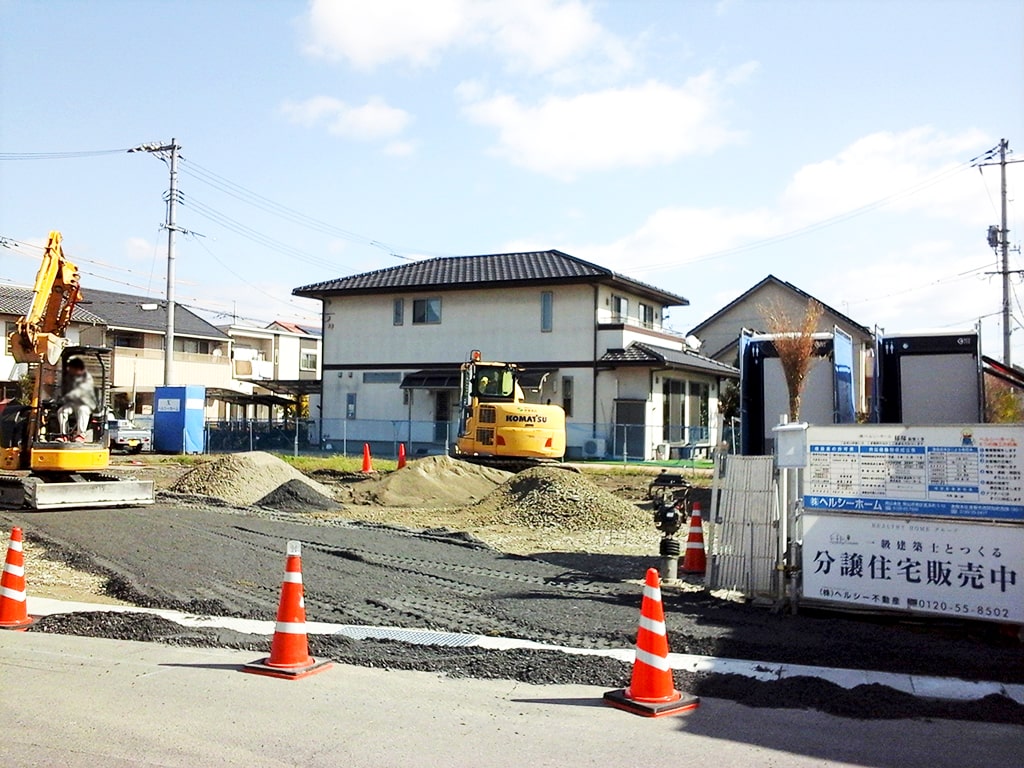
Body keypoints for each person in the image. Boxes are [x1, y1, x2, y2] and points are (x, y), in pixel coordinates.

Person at [57, 357, 97, 442]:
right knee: (61, 411)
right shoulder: (68, 377)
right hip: (72, 403)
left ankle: (81, 435)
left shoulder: (87, 378)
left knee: (82, 409)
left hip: (86, 403)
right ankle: (64, 435)